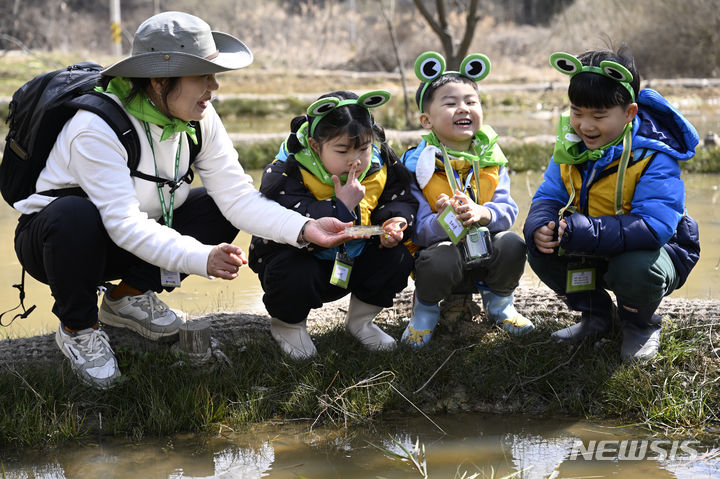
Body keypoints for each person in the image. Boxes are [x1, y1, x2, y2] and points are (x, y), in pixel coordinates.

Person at [11, 11, 356, 389]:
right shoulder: (95, 129)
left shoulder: (199, 118)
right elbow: (123, 224)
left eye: (213, 75)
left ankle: (127, 298)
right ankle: (78, 328)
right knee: (73, 215)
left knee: (214, 207)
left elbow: (237, 197)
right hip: (60, 243)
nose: (214, 87)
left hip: (135, 233)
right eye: (202, 76)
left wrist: (304, 228)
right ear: (159, 80)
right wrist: (201, 258)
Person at [523, 48, 700, 362]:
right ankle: (597, 316)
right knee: (541, 249)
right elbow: (549, 194)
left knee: (635, 267)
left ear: (629, 113)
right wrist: (539, 223)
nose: (585, 125)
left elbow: (654, 227)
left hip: (657, 252)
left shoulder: (653, 156)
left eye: (599, 116)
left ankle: (639, 323)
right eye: (577, 112)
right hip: (590, 242)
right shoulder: (570, 148)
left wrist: (588, 230)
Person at [248, 90, 417, 360]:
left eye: (363, 148)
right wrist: (341, 205)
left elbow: (400, 197)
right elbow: (284, 213)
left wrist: (394, 221)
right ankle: (288, 325)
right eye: (342, 151)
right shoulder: (290, 169)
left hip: (355, 258)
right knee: (290, 269)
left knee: (398, 256)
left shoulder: (381, 161)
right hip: (306, 260)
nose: (356, 161)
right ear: (315, 146)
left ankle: (360, 321)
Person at [400, 51, 534, 348]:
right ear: (426, 120)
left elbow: (508, 209)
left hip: (484, 247)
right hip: (442, 254)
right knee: (441, 255)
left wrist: (482, 213)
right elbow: (417, 229)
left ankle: (500, 305)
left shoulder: (491, 159)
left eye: (471, 102)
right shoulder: (415, 164)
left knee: (512, 244)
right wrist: (444, 218)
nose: (463, 109)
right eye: (450, 103)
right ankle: (425, 311)